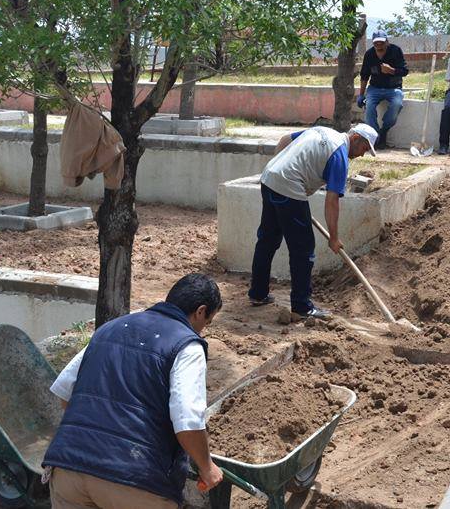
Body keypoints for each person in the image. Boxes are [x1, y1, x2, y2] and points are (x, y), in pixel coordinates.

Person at [42, 273, 225, 508]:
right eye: (207, 323)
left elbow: (65, 392)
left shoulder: (111, 328)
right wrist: (207, 467)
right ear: (201, 311)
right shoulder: (187, 346)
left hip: (68, 470)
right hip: (135, 482)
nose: (202, 330)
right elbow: (187, 422)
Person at [248, 123, 377, 318]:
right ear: (356, 138)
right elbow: (332, 200)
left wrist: (279, 169)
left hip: (270, 178)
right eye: (364, 148)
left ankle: (258, 294)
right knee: (303, 249)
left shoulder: (323, 131)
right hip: (289, 187)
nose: (362, 154)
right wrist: (334, 237)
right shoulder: (339, 156)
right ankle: (301, 307)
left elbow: (285, 139)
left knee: (267, 239)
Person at [357, 30, 409, 149]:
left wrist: (391, 70)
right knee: (369, 107)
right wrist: (361, 95)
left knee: (397, 104)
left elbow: (405, 71)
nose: (378, 45)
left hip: (394, 88)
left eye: (381, 42)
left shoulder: (396, 51)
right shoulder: (369, 54)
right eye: (376, 43)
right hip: (374, 88)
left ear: (387, 41)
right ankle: (376, 137)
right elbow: (364, 75)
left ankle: (384, 130)